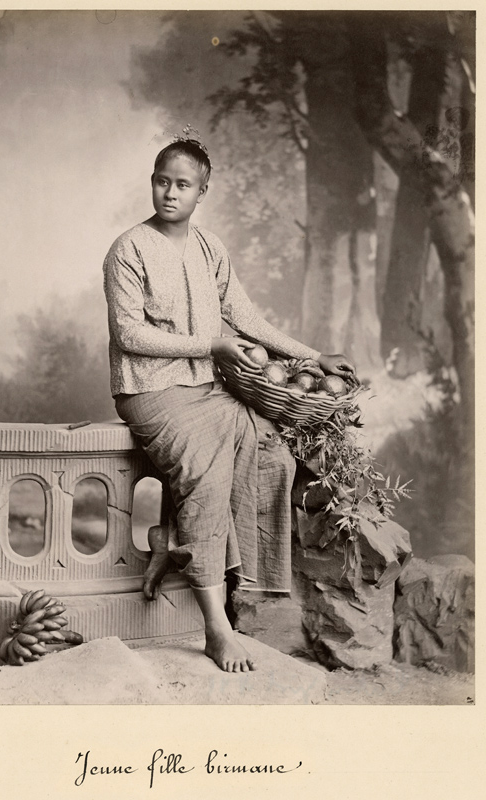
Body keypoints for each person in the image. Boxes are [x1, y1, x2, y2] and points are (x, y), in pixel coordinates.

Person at [103, 133, 355, 673]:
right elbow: (129, 335)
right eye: (162, 181)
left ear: (202, 192)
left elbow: (247, 318)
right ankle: (215, 629)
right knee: (205, 474)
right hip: (149, 391)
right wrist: (211, 346)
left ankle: (176, 540)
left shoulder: (209, 248)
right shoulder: (128, 249)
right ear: (152, 183)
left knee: (270, 450)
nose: (170, 193)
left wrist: (314, 357)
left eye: (183, 185)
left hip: (205, 389)